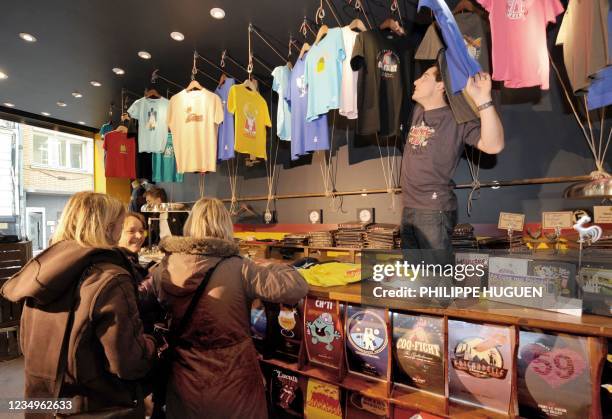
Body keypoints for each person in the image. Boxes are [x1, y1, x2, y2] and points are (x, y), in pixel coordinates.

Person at [0, 192, 157, 417]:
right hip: (98, 407)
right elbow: (128, 363)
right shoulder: (111, 277)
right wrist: (153, 343)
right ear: (109, 227)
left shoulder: (43, 272)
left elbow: (28, 345)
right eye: (122, 226)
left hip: (44, 405)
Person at [149, 197, 309, 419]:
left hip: (183, 381)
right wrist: (276, 266)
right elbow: (296, 286)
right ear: (225, 225)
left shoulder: (164, 266)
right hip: (234, 382)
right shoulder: (240, 267)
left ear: (190, 224)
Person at [400, 65, 504, 259]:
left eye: (424, 77)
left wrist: (483, 100)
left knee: (438, 282)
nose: (415, 81)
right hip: (408, 207)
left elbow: (494, 146)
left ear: (441, 85)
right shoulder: (417, 111)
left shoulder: (457, 118)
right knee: (416, 279)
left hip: (432, 211)